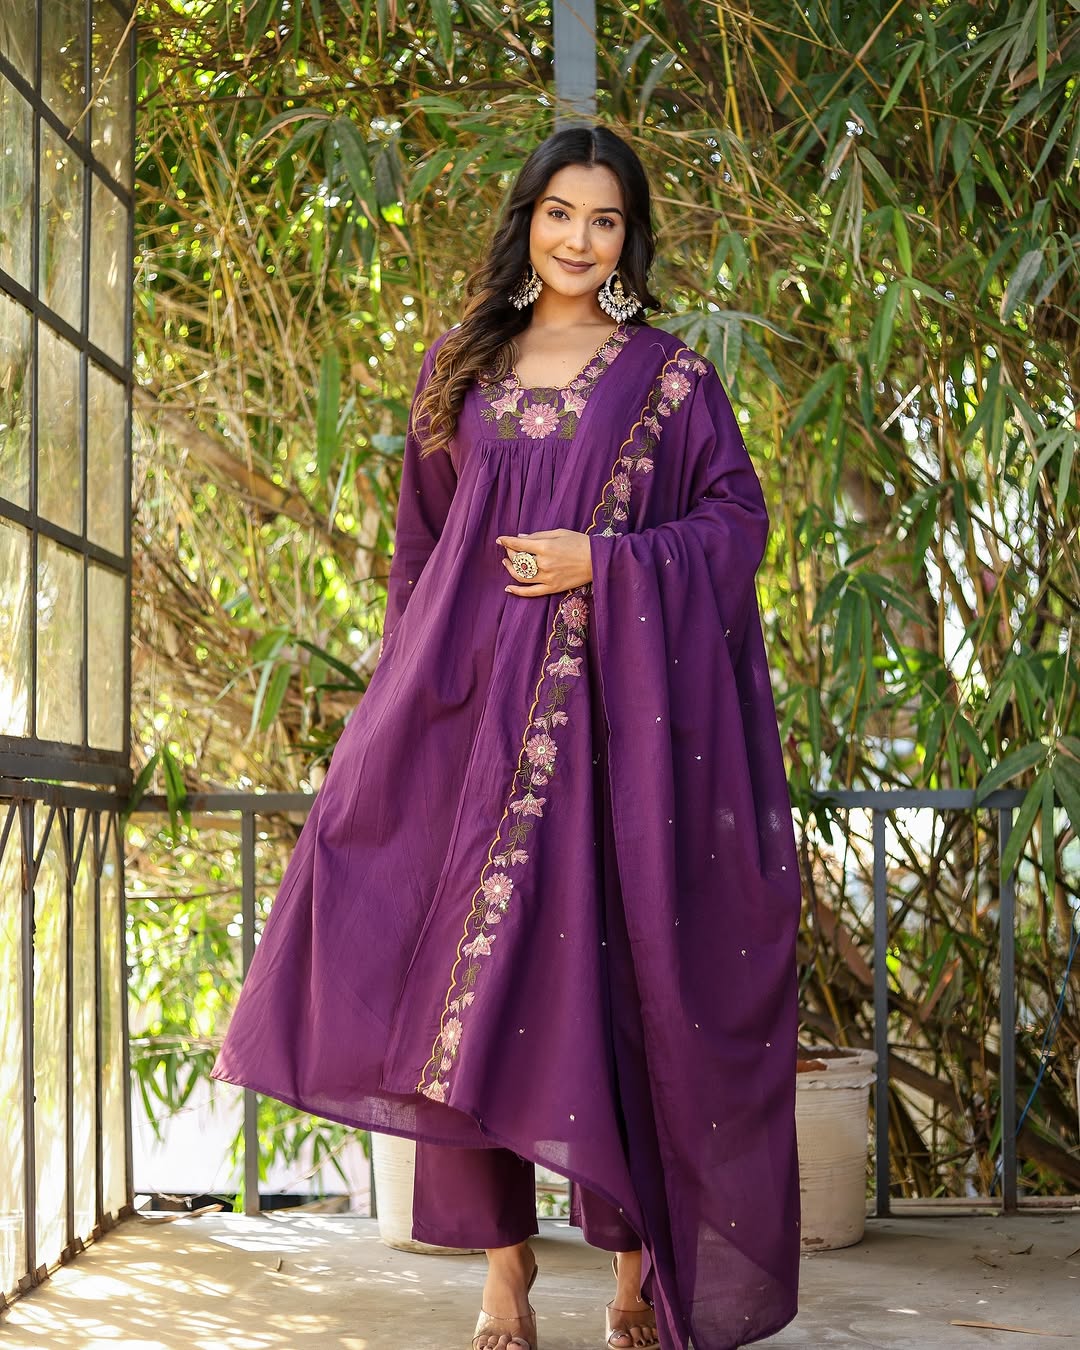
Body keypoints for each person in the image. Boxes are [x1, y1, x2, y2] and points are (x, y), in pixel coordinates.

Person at [212, 124, 802, 1350]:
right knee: (462, 998)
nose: (579, 240)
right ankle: (505, 1274)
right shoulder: (460, 365)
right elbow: (420, 555)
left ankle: (636, 1272)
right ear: (525, 217)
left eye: (605, 221)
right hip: (467, 720)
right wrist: (400, 707)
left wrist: (610, 561)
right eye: (559, 214)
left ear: (630, 237)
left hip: (614, 740)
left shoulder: (670, 379)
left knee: (610, 987)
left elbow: (736, 528)